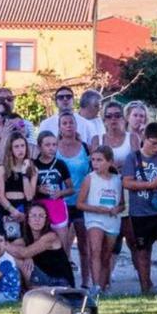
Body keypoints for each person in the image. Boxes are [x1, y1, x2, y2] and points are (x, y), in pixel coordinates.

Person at [122, 122, 157, 295]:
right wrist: (151, 184)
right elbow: (126, 182)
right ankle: (146, 287)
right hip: (140, 212)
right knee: (143, 250)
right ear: (144, 139)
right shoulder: (132, 158)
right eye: (153, 143)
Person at [76, 146, 123, 295]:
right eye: (94, 160)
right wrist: (98, 209)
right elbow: (80, 203)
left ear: (110, 162)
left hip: (112, 220)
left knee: (106, 254)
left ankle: (104, 285)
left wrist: (117, 209)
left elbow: (122, 203)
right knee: (95, 250)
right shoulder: (89, 179)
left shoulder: (117, 180)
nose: (96, 163)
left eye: (100, 160)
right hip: (94, 219)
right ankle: (95, 285)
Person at [54, 112, 92, 283]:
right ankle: (66, 280)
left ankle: (85, 282)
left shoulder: (84, 147)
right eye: (65, 123)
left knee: (85, 245)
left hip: (82, 202)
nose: (68, 125)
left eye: (71, 123)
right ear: (60, 127)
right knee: (62, 245)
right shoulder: (54, 147)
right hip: (60, 202)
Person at [6, 203, 73, 289]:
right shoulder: (26, 238)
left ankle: (30, 290)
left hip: (59, 282)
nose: (37, 219)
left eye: (41, 216)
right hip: (43, 279)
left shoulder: (51, 236)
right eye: (33, 216)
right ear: (28, 219)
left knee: (18, 258)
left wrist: (3, 244)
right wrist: (27, 256)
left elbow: (24, 253)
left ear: (46, 220)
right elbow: (15, 250)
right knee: (11, 255)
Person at [32, 131, 74, 256]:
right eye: (47, 145)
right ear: (39, 146)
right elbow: (27, 189)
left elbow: (71, 189)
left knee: (63, 243)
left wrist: (60, 192)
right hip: (39, 207)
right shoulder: (33, 164)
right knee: (38, 242)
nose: (51, 148)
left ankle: (64, 269)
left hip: (57, 206)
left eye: (54, 145)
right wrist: (38, 189)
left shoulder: (60, 164)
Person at [0, 133, 35, 242]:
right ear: (10, 149)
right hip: (7, 208)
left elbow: (30, 196)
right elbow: (0, 195)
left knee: (25, 242)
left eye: (23, 146)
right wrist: (13, 211)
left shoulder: (32, 169)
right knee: (9, 242)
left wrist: (24, 173)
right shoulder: (3, 169)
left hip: (24, 208)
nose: (20, 149)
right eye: (16, 147)